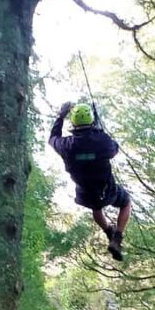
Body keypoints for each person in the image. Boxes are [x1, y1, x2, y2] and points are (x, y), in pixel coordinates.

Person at [49, 102, 132, 261]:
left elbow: (53, 138)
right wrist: (99, 130)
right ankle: (117, 237)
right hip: (106, 189)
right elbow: (114, 148)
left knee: (96, 207)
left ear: (73, 123)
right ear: (92, 121)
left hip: (85, 191)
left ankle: (109, 232)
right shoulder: (102, 141)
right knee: (126, 202)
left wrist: (61, 116)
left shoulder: (67, 145)